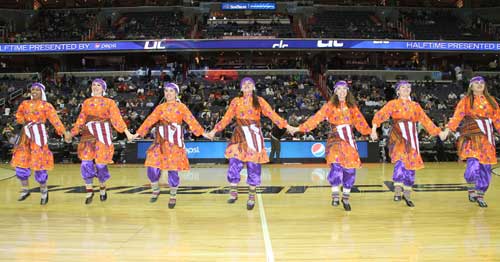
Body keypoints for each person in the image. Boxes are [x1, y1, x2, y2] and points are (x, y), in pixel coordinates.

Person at [207, 77, 293, 210]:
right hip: (239, 135)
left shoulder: (259, 101)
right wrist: (214, 131)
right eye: (244, 84)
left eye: (250, 84)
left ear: (253, 87)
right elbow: (226, 118)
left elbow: (272, 115)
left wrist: (287, 126)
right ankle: (233, 191)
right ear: (241, 88)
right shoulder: (236, 101)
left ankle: (251, 195)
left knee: (253, 166)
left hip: (254, 135)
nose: (247, 86)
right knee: (234, 161)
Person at [292, 81, 372, 211]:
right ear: (335, 91)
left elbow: (360, 122)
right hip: (335, 139)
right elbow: (316, 118)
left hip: (349, 141)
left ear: (347, 91)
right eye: (339, 89)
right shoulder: (330, 106)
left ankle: (345, 197)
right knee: (336, 165)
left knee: (350, 170)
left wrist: (370, 132)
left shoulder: (352, 107)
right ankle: (335, 194)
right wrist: (300, 128)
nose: (342, 92)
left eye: (344, 89)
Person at [132, 82, 209, 208]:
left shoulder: (182, 107)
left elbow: (191, 121)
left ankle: (173, 195)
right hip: (160, 142)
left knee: (173, 170)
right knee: (151, 166)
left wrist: (203, 133)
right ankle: (155, 188)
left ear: (176, 93)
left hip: (174, 144)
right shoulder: (160, 108)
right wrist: (138, 133)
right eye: (166, 91)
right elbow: (149, 120)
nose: (168, 93)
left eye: (171, 91)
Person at [370, 80, 446, 207]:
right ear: (398, 91)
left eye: (408, 87)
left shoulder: (415, 105)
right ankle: (398, 189)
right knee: (400, 161)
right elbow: (380, 115)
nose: (406, 89)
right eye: (403, 87)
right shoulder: (392, 104)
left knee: (411, 165)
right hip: (398, 136)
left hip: (412, 138)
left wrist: (439, 132)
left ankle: (407, 193)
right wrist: (373, 130)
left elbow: (426, 120)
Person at [70, 78, 134, 205]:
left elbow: (117, 118)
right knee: (85, 163)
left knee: (100, 165)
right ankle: (89, 190)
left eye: (98, 85)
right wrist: (72, 133)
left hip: (103, 135)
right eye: (93, 85)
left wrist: (127, 133)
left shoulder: (110, 102)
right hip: (88, 134)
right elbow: (81, 119)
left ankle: (102, 187)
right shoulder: (86, 102)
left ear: (103, 88)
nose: (95, 87)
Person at [442, 76, 500, 208]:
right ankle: (471, 188)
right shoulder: (466, 101)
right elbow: (457, 117)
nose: (479, 85)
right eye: (476, 83)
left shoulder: (492, 101)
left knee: (485, 169)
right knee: (472, 167)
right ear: (471, 86)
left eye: (482, 83)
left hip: (487, 140)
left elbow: (498, 120)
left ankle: (480, 195)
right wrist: (448, 130)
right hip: (472, 138)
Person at [11, 82, 70, 205]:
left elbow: (55, 120)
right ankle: (25, 189)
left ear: (41, 92)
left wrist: (64, 132)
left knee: (39, 163)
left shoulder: (46, 105)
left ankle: (44, 191)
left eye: (37, 90)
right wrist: (22, 120)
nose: (34, 91)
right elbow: (19, 115)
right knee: (21, 162)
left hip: (39, 134)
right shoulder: (24, 103)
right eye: (32, 89)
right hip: (25, 134)